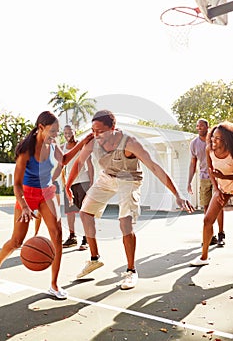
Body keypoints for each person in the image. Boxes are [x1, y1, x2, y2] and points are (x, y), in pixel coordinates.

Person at [66, 110, 194, 290]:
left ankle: (131, 271)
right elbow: (78, 163)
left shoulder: (130, 143)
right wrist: (67, 185)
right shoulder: (93, 142)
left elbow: (155, 167)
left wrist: (177, 194)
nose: (96, 135)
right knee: (85, 213)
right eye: (93, 130)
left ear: (113, 128)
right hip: (107, 177)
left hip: (130, 179)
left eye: (100, 131)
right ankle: (94, 259)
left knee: (125, 221)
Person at [0, 111, 93, 299]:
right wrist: (25, 206)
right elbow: (16, 184)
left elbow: (64, 160)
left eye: (57, 132)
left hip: (47, 192)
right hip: (26, 194)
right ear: (41, 128)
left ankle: (54, 284)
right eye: (52, 131)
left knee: (57, 236)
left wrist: (83, 142)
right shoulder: (26, 150)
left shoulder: (53, 144)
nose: (55, 135)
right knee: (16, 241)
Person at [190, 121, 233, 266]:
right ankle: (204, 257)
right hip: (222, 189)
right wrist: (217, 188)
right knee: (207, 220)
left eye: (218, 138)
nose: (214, 140)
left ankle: (222, 234)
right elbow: (210, 171)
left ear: (226, 139)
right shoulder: (209, 149)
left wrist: (224, 177)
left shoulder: (232, 151)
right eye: (213, 137)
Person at [187, 119, 225, 247]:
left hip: (218, 177)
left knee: (218, 206)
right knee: (206, 207)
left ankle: (221, 234)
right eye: (197, 126)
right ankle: (210, 235)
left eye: (201, 126)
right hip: (204, 178)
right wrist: (189, 181)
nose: (199, 128)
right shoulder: (194, 144)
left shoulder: (215, 140)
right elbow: (193, 164)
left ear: (207, 127)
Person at [61, 125, 94, 250]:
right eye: (65, 132)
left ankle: (86, 239)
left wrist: (91, 182)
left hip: (83, 181)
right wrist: (65, 184)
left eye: (70, 132)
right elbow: (63, 168)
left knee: (84, 212)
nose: (68, 134)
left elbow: (89, 164)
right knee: (70, 212)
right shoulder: (63, 148)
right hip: (70, 184)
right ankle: (72, 237)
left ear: (75, 132)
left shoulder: (82, 145)